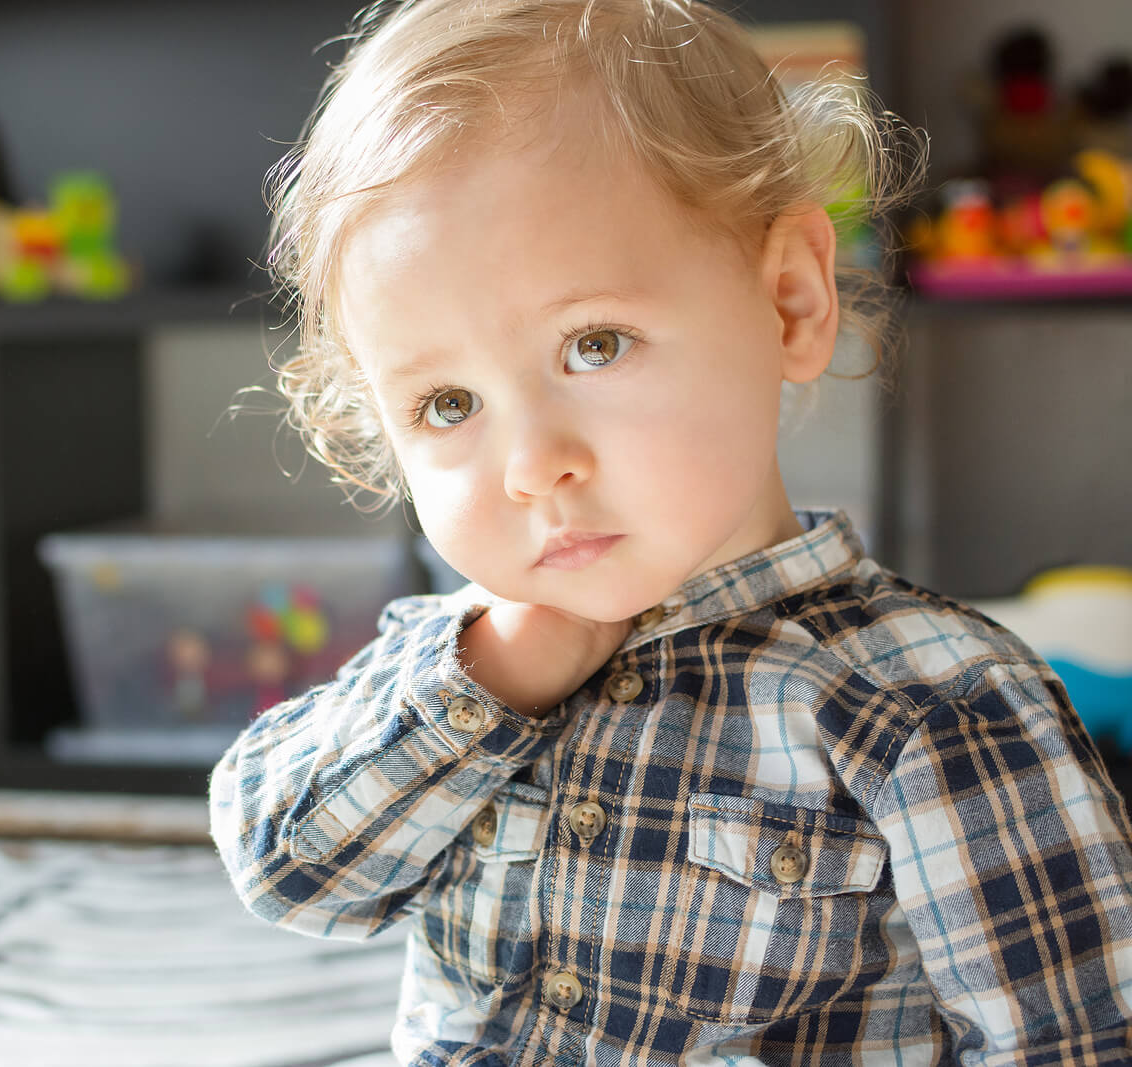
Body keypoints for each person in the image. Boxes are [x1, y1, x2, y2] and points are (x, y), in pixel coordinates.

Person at [208, 1, 1132, 1062]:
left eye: (593, 344)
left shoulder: (931, 704)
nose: (530, 464)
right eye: (447, 405)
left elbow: (1070, 1040)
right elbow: (293, 874)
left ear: (788, 298)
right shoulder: (458, 663)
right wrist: (486, 683)